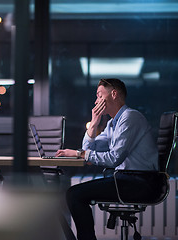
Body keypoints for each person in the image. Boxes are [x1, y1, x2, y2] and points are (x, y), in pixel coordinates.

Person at [55, 78, 158, 240]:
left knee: (74, 195)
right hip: (126, 179)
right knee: (74, 194)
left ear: (114, 94)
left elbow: (113, 159)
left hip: (140, 182)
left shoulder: (130, 117)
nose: (96, 101)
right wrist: (94, 124)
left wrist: (79, 154)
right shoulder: (113, 124)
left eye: (99, 95)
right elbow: (87, 149)